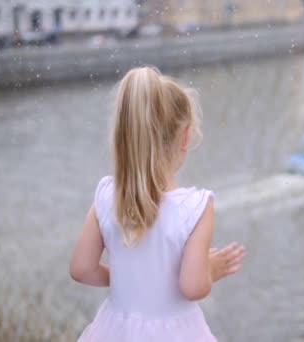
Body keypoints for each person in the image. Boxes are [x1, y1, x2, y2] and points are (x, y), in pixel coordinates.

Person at [70, 66, 245, 341]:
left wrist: (129, 279)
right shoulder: (196, 208)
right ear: (186, 136)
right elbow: (193, 286)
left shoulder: (106, 195)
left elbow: (81, 269)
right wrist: (213, 268)